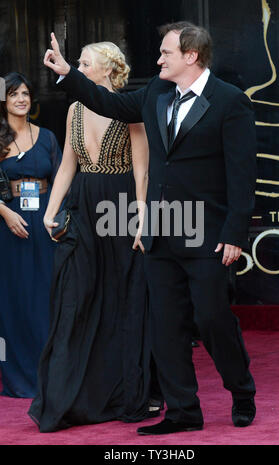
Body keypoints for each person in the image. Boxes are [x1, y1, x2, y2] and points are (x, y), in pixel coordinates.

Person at [42, 21, 257, 435]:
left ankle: (242, 389)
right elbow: (111, 105)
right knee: (165, 324)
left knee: (212, 319)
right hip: (161, 229)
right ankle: (182, 411)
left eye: (166, 53)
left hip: (206, 233)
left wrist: (234, 233)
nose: (157, 59)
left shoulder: (230, 102)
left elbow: (242, 176)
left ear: (190, 56)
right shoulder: (157, 93)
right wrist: (69, 74)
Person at [28, 41, 162, 432]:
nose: (78, 66)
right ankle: (74, 393)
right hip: (84, 207)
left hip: (120, 209)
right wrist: (51, 212)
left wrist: (142, 219)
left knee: (123, 295)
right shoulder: (73, 110)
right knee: (78, 295)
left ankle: (127, 392)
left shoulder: (128, 108)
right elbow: (67, 167)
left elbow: (143, 171)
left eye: (85, 62)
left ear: (107, 70)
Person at [0, 72, 62, 397]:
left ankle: (51, 376)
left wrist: (57, 220)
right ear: (4, 101)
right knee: (14, 300)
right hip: (8, 224)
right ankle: (19, 378)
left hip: (45, 221)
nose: (21, 99)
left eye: (25, 93)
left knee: (45, 298)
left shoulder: (48, 137)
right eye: (14, 94)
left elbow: (63, 179)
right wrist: (5, 212)